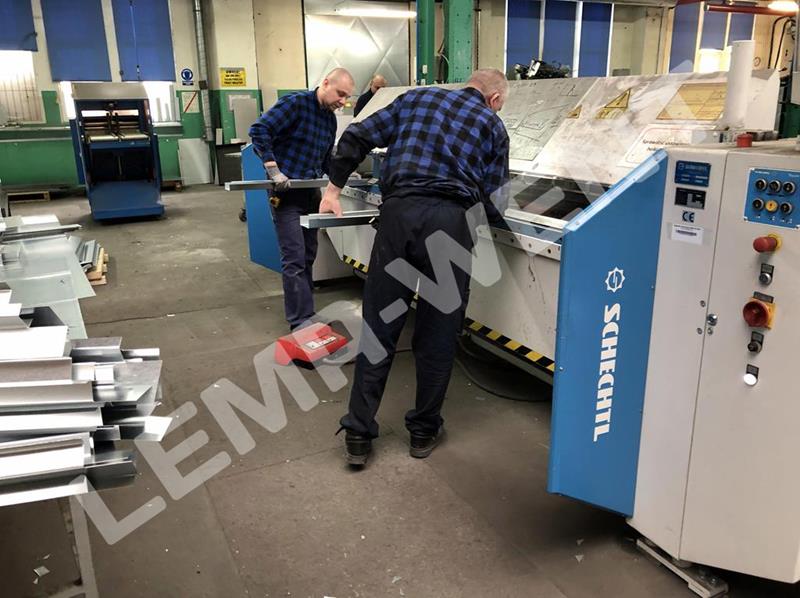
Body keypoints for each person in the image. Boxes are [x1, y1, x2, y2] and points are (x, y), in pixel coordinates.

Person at [320, 69, 511, 466]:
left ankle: (358, 432)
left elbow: (356, 135)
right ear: (494, 100)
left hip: (399, 216)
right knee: (438, 332)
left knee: (380, 327)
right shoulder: (493, 125)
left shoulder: (416, 99)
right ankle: (423, 431)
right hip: (450, 225)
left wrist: (333, 189)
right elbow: (495, 200)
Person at [249, 68, 355, 330]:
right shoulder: (295, 104)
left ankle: (306, 313)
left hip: (311, 193)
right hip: (285, 194)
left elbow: (325, 159)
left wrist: (343, 176)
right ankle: (299, 321)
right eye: (340, 94)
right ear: (326, 83)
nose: (343, 101)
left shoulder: (329, 120)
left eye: (347, 97)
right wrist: (272, 168)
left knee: (308, 255)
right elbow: (259, 130)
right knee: (294, 257)